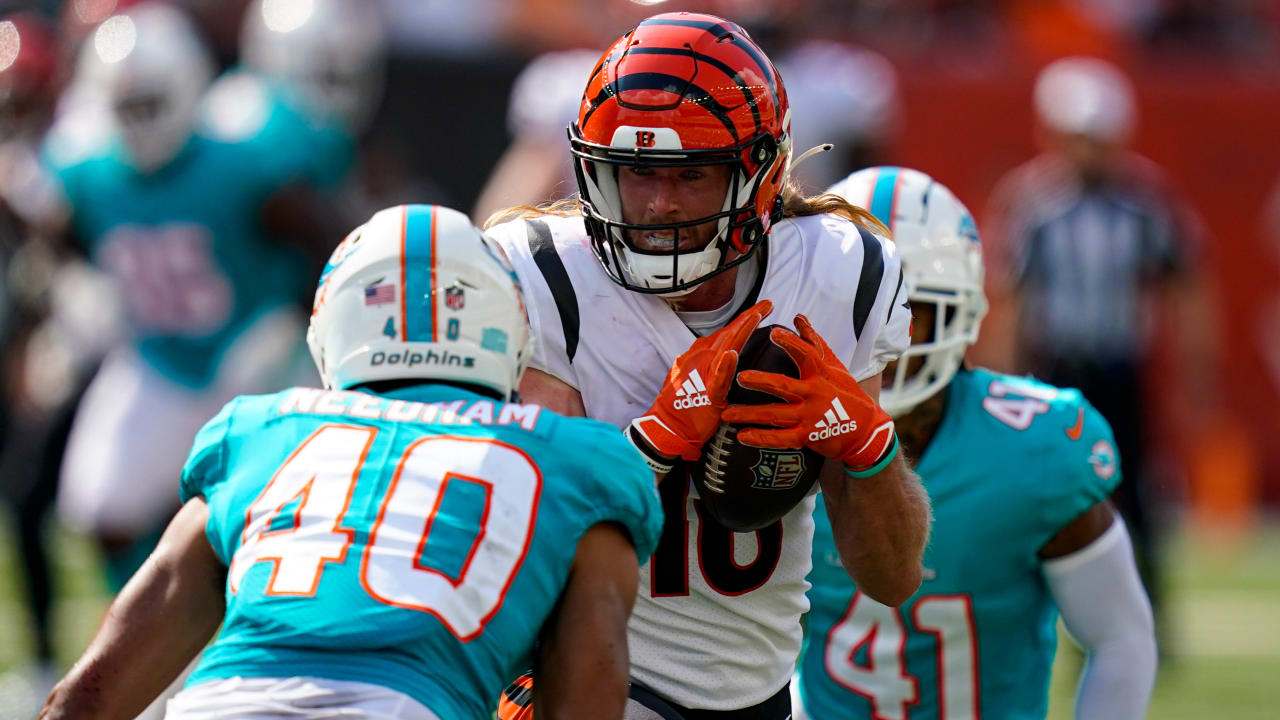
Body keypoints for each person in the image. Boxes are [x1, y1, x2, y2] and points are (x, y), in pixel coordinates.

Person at [39, 203, 665, 720]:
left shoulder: (261, 434)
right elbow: (586, 699)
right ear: (509, 331)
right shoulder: (579, 463)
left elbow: (87, 699)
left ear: (330, 331)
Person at [487, 12, 930, 718]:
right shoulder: (545, 273)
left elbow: (892, 575)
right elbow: (524, 554)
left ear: (760, 172)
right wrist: (655, 441)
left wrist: (866, 444)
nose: (658, 205)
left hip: (757, 694)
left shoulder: (839, 270)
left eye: (690, 175)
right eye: (634, 175)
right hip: (585, 679)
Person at [792, 166, 1157, 720]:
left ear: (960, 309)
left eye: (911, 311)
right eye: (858, 311)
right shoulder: (777, 436)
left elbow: (1121, 639)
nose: (886, 338)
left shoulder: (1032, 449)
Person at [41, 2, 347, 590]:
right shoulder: (89, 174)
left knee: (301, 509)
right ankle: (152, 640)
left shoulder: (241, 163)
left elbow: (331, 246)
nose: (140, 119)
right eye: (128, 106)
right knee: (102, 507)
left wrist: (294, 325)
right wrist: (73, 300)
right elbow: (64, 244)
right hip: (158, 359)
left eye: (150, 102)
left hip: (252, 357)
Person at [984, 56, 1199, 634]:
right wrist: (1003, 377)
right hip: (1056, 367)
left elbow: (1185, 283)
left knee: (1138, 494)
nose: (1088, 149)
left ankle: (1150, 615)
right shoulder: (1034, 201)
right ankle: (1047, 616)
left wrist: (1199, 371)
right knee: (1047, 490)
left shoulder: (1144, 201)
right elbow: (1012, 297)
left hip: (1119, 364)